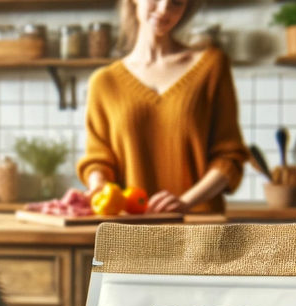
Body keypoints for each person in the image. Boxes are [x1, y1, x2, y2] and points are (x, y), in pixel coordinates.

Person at [77, 0, 249, 214]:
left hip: (199, 230)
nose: (164, 9)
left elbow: (229, 157)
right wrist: (98, 186)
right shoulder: (104, 82)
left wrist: (185, 203)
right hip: (129, 230)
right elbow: (98, 160)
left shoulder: (212, 67)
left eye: (176, 3)